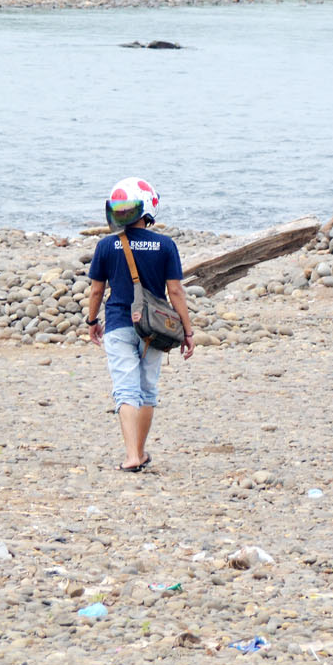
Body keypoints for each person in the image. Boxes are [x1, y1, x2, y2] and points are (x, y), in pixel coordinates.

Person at [85, 177, 196, 473]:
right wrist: (187, 331)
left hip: (120, 324)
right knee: (147, 391)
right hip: (154, 328)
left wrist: (92, 320)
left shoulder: (106, 246)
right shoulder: (165, 245)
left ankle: (132, 455)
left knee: (125, 391)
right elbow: (175, 292)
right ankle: (141, 452)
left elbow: (97, 290)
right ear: (149, 210)